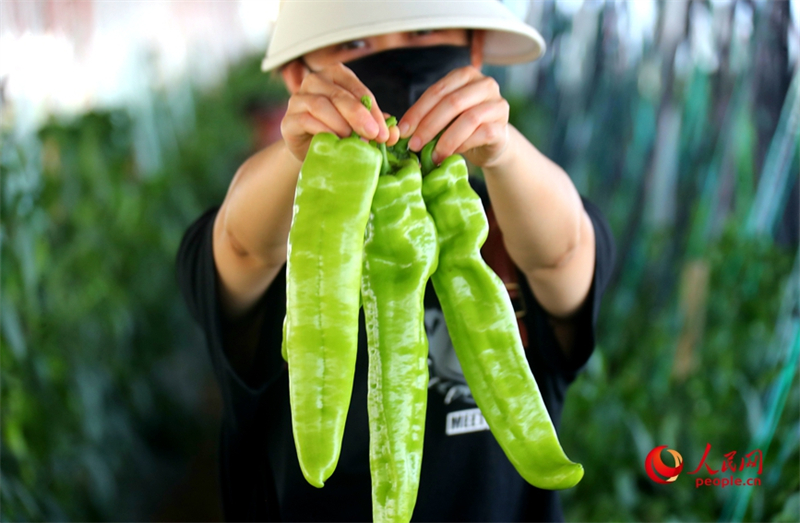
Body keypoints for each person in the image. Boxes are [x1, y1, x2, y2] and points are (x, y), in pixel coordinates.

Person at [177, 1, 615, 521]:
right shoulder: (277, 227)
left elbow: (564, 255)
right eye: (354, 45)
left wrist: (504, 151)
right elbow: (241, 247)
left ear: (473, 50)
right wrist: (299, 153)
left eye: (424, 31)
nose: (394, 57)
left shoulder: (507, 220)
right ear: (300, 77)